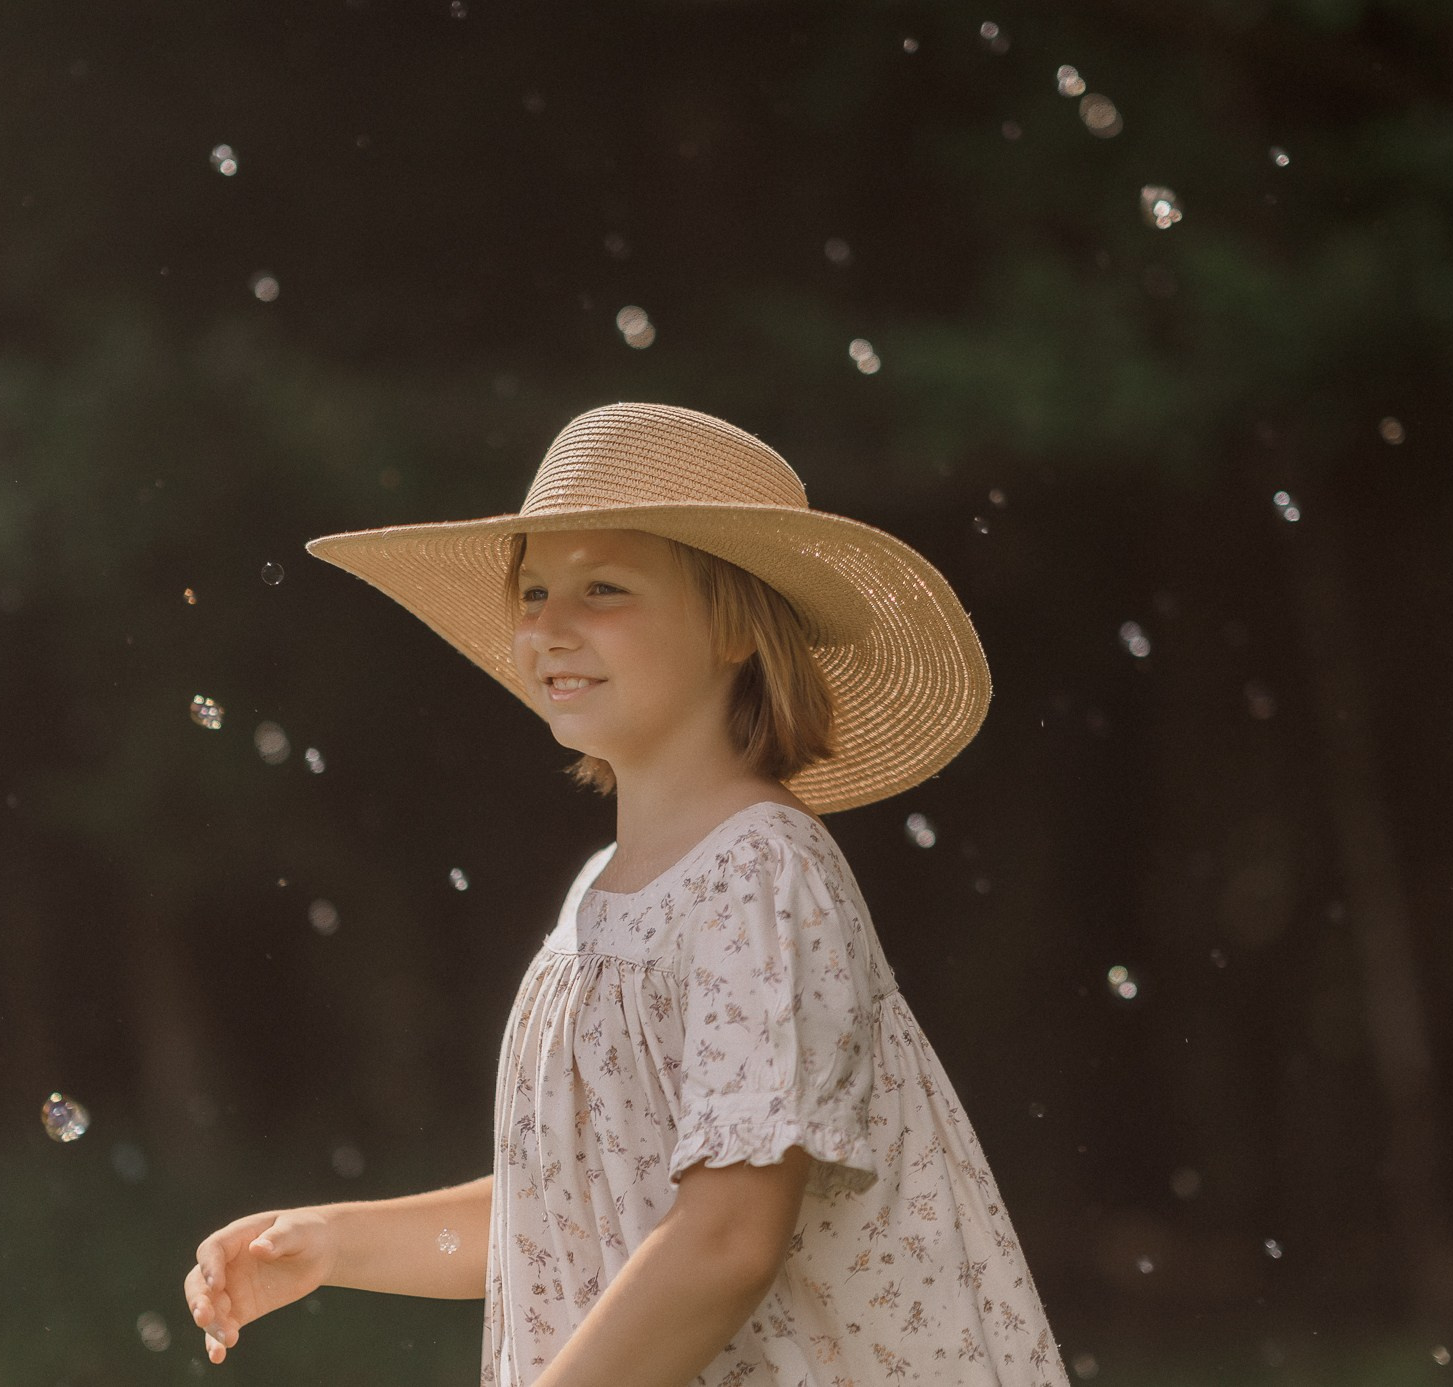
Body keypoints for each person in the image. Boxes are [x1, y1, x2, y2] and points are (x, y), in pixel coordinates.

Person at [183, 403, 1069, 1385]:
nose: (547, 627)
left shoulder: (758, 876)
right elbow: (569, 1214)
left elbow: (726, 1238)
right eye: (531, 591)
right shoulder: (600, 899)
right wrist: (333, 1244)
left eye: (602, 588)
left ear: (736, 620)